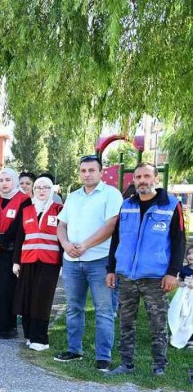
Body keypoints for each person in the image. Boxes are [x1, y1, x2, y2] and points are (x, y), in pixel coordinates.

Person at [106, 163, 186, 376]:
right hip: (127, 275)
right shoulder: (127, 205)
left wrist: (172, 272)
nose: (142, 180)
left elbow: (179, 242)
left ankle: (159, 366)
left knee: (157, 323)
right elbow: (116, 239)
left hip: (156, 277)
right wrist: (111, 269)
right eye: (138, 177)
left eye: (146, 176)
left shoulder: (170, 205)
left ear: (155, 179)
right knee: (125, 322)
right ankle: (126, 363)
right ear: (134, 181)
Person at [54, 155, 123, 370]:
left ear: (100, 172)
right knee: (74, 307)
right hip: (72, 261)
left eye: (91, 170)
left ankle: (104, 356)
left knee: (104, 310)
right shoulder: (73, 196)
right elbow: (61, 225)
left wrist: (84, 245)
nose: (87, 174)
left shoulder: (111, 194)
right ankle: (74, 350)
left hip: (99, 261)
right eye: (83, 170)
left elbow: (111, 226)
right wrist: (65, 244)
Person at [12, 176, 63, 351]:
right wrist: (16, 262)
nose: (42, 191)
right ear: (34, 190)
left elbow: (63, 236)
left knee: (42, 300)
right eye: (38, 188)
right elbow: (19, 237)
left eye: (46, 188)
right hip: (28, 260)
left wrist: (64, 262)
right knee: (26, 298)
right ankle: (29, 335)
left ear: (51, 191)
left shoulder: (59, 209)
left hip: (49, 262)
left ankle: (41, 339)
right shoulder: (26, 209)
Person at [0, 168, 31, 339]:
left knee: (7, 288)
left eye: (7, 180)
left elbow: (20, 225)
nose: (4, 184)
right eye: (1, 180)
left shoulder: (24, 200)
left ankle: (10, 326)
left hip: (10, 250)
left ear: (14, 181)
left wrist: (1, 240)